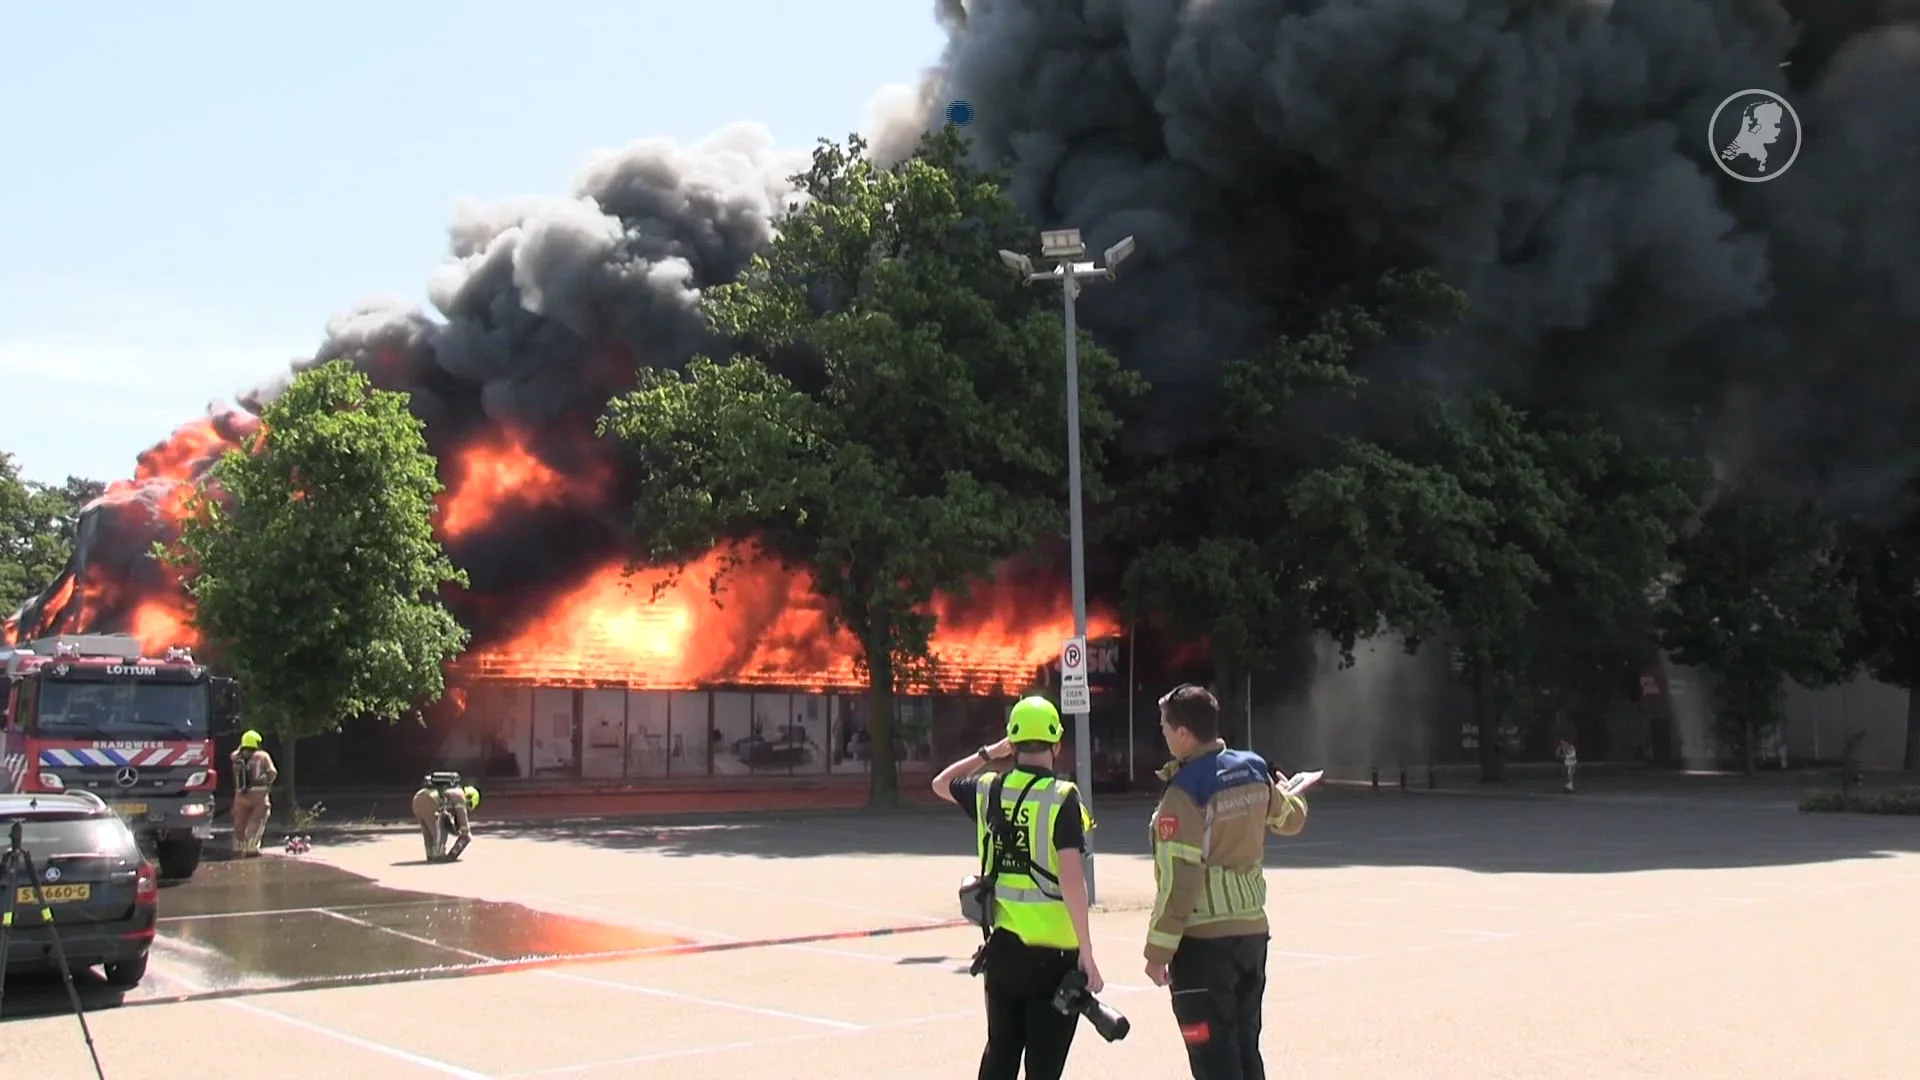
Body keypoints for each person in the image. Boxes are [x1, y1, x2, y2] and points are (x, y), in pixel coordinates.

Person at [1144, 684, 1308, 1080]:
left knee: (1213, 1059)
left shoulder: (1183, 792)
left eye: (1165, 726)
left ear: (1184, 733)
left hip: (1203, 946)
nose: (1163, 733)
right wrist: (1289, 792)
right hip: (1252, 937)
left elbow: (1180, 880)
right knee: (1245, 1050)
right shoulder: (1253, 769)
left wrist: (1158, 951)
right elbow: (1292, 819)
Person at [932, 696, 1102, 1080]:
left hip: (1005, 948)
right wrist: (1087, 951)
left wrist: (988, 753)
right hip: (1057, 953)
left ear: (1012, 744)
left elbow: (940, 783)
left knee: (1000, 1055)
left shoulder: (990, 789)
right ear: (1057, 746)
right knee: (1044, 1066)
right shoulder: (1063, 799)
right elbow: (1073, 880)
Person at [229, 729, 277, 857]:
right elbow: (272, 772)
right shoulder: (263, 756)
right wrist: (268, 783)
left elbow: (235, 753)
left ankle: (238, 847)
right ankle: (251, 847)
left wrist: (241, 747)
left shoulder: (236, 757)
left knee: (240, 820)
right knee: (257, 819)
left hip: (240, 794)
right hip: (259, 794)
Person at [411, 772, 478, 861]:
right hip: (430, 799)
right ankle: (439, 853)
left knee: (427, 831)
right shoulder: (460, 797)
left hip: (417, 798)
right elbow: (465, 830)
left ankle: (430, 853)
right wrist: (454, 853)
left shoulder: (451, 790)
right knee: (439, 829)